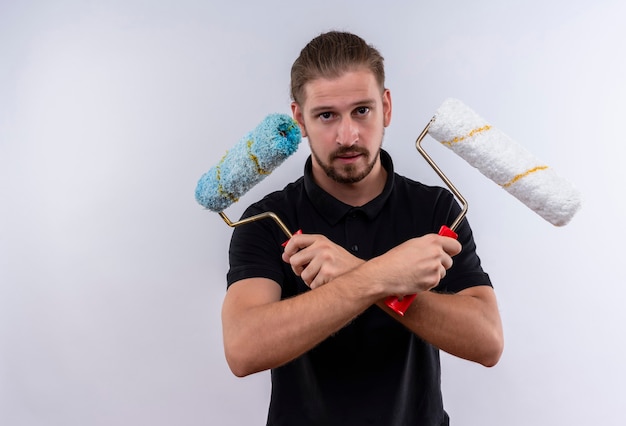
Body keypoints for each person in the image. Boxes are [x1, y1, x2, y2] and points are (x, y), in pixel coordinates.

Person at [221, 31, 504, 425]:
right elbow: (243, 349)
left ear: (386, 107)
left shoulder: (435, 208)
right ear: (299, 118)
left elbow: (487, 341)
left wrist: (352, 270)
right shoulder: (268, 220)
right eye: (326, 115)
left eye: (362, 111)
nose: (348, 136)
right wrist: (380, 275)